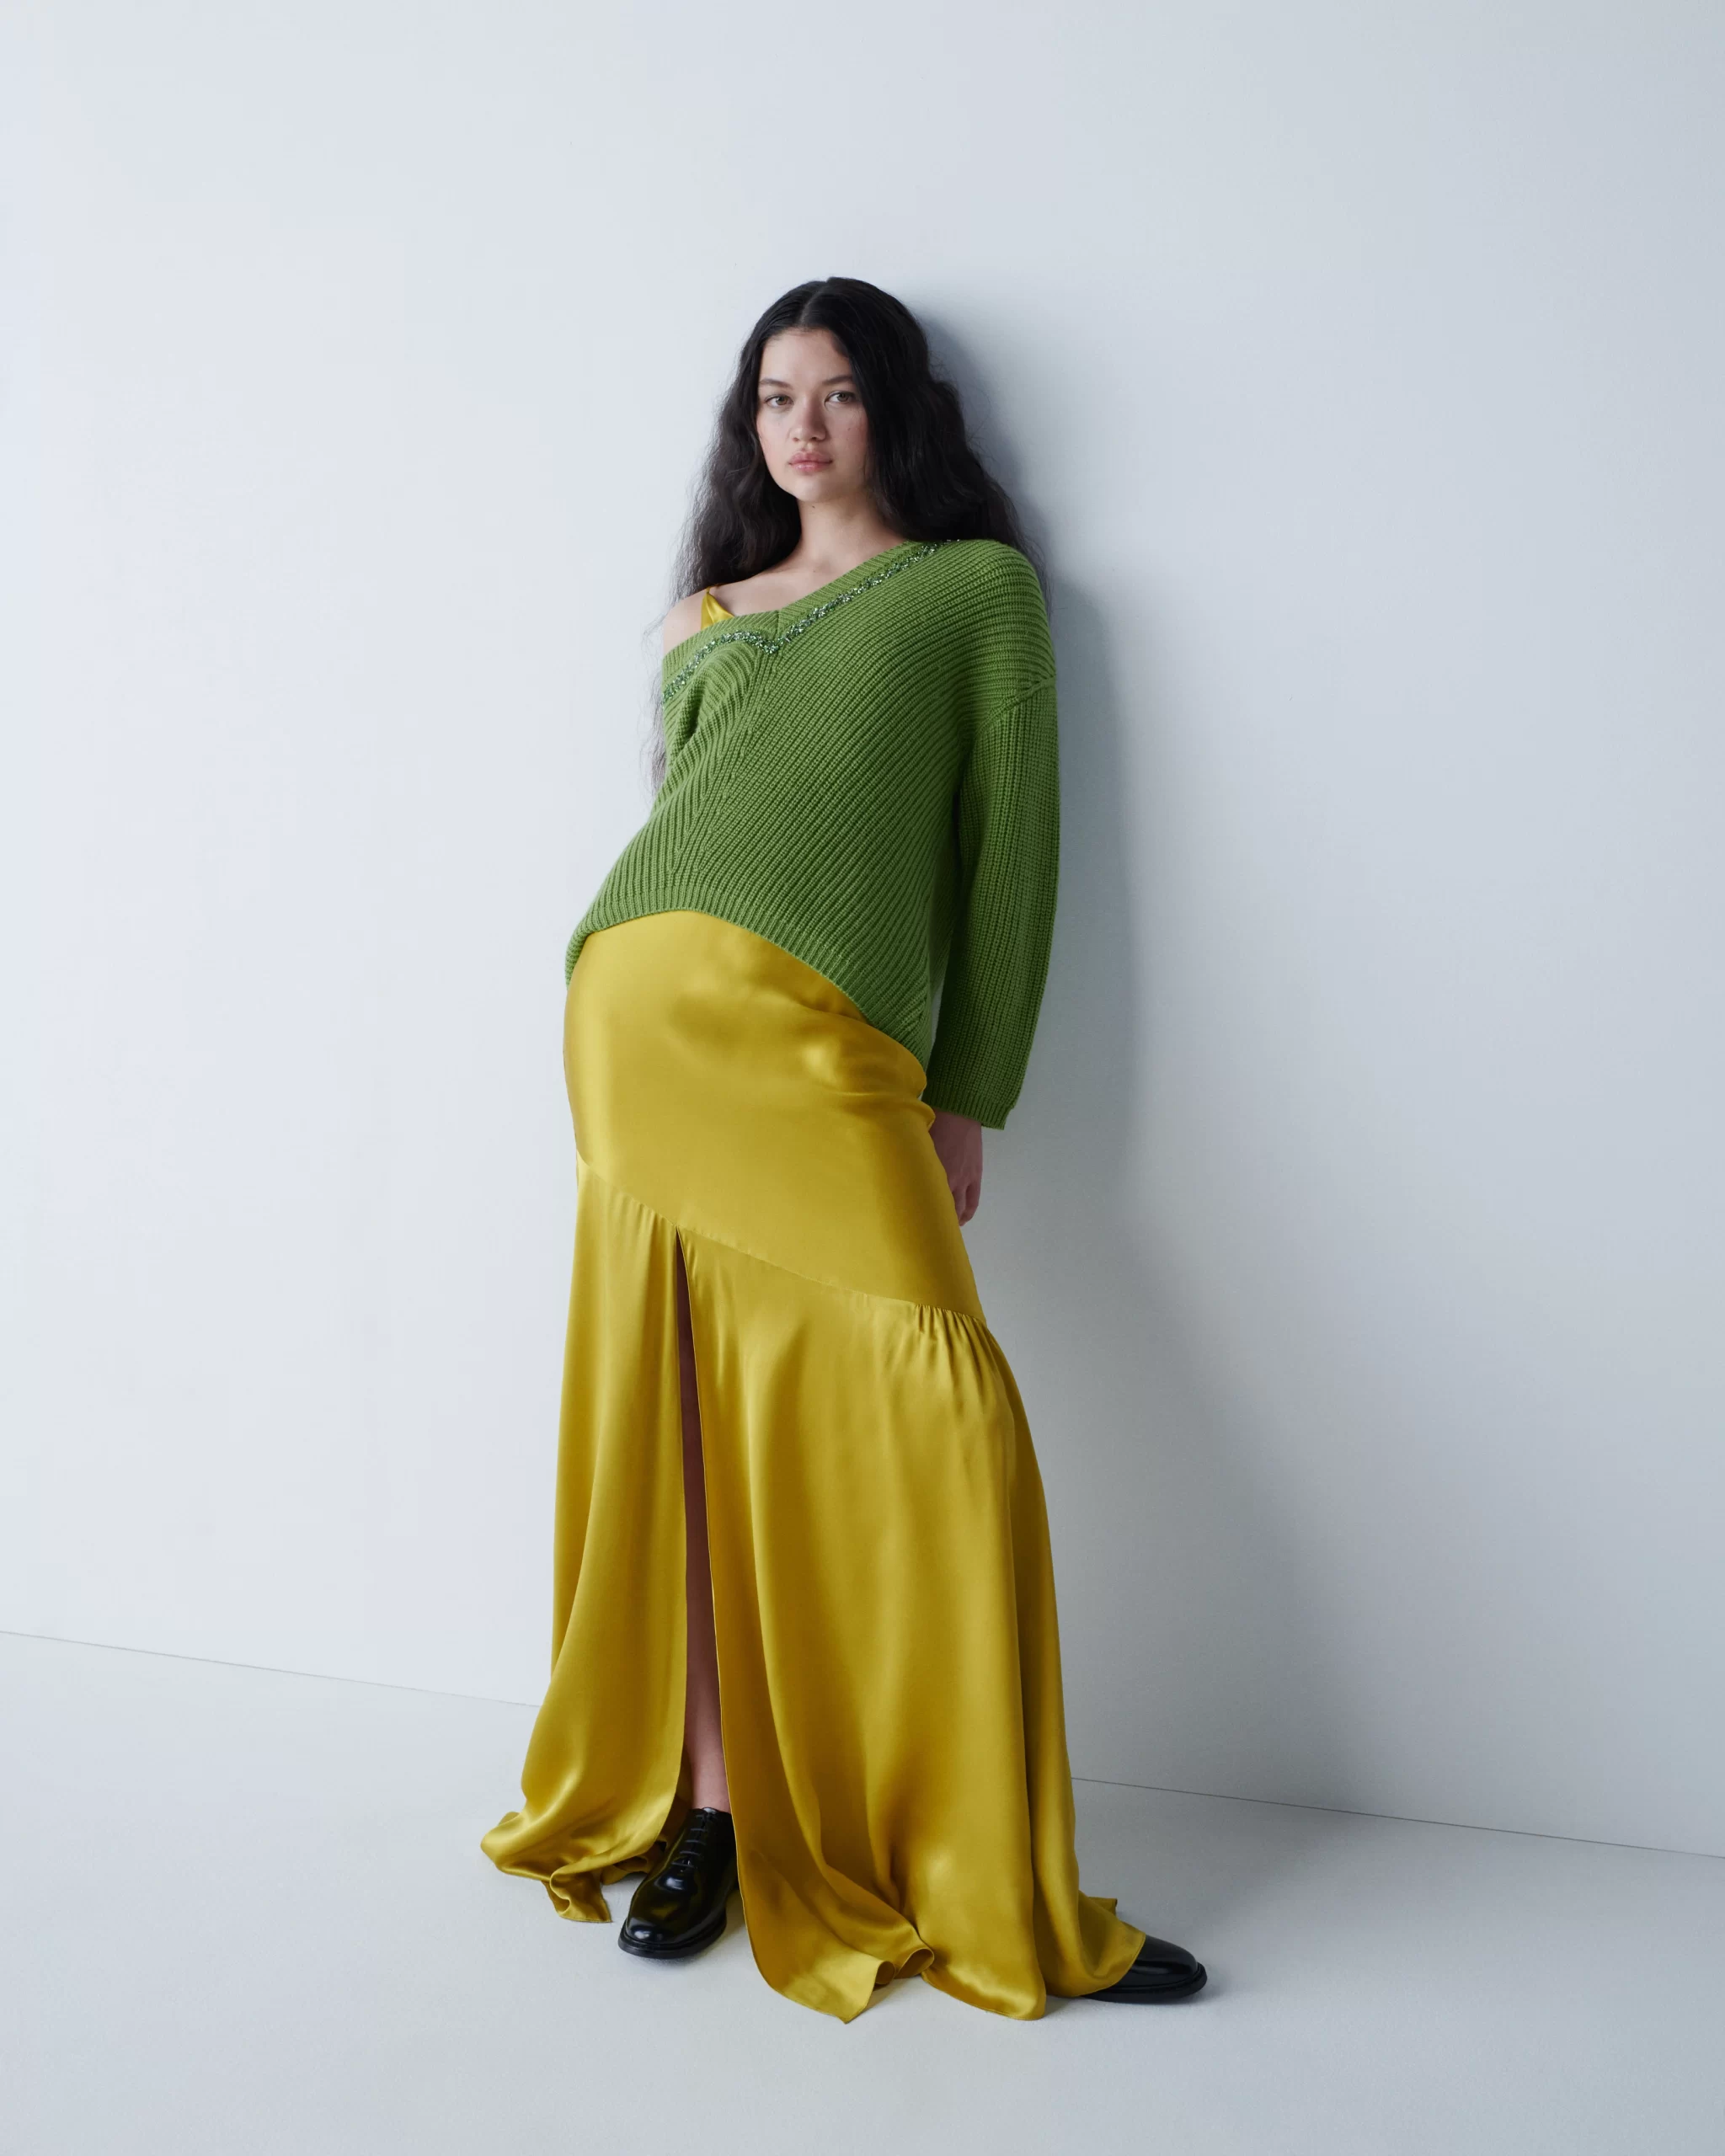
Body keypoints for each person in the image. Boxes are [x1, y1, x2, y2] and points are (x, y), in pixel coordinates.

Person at [482, 276, 1207, 2021]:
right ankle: (714, 1816)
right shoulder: (702, 618)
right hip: (641, 1012)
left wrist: (968, 1093)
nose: (799, 427)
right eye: (772, 397)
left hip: (825, 1043)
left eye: (837, 393)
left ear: (896, 410)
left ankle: (978, 1861)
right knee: (686, 1414)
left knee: (942, 1412)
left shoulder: (975, 593)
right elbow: (690, 820)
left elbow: (1011, 858)